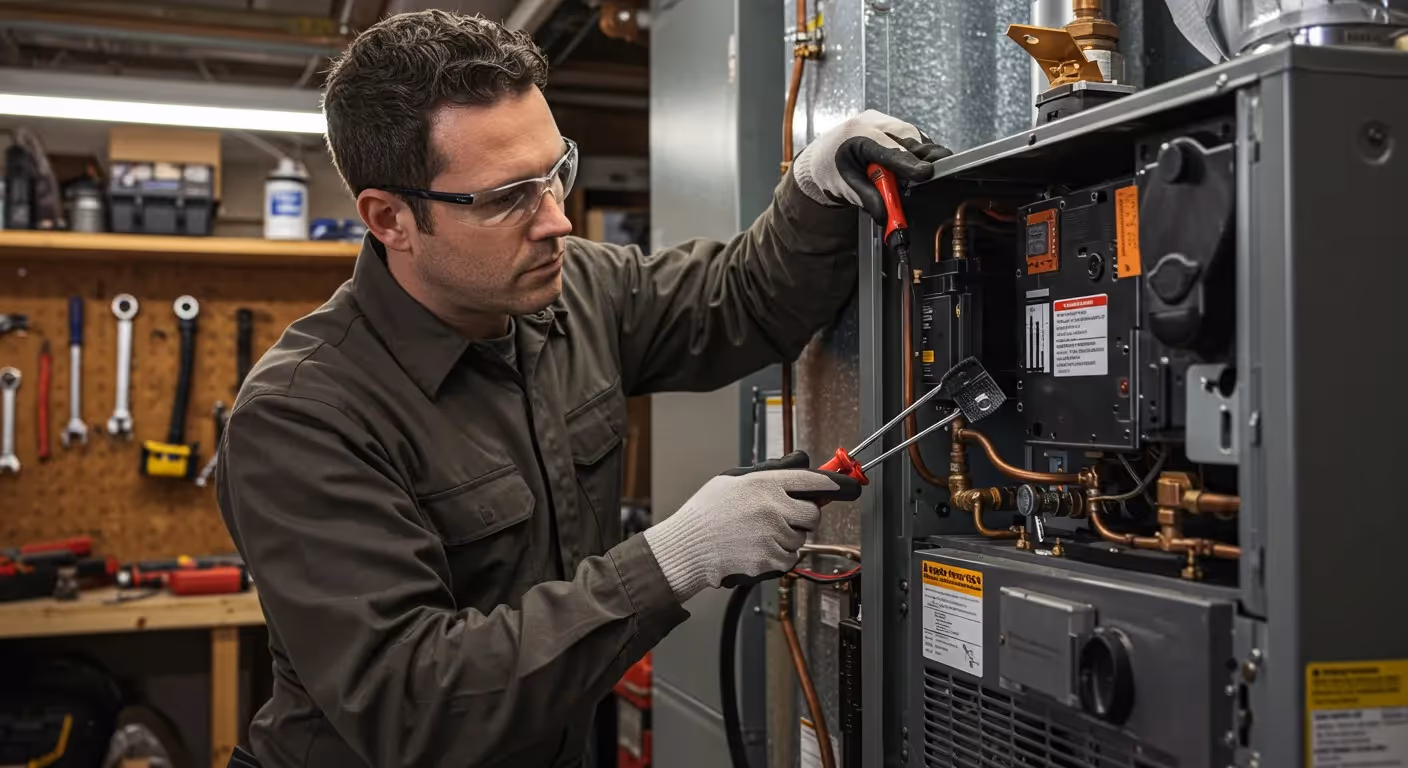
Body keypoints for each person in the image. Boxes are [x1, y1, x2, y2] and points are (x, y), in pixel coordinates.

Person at [216, 9, 948, 768]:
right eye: (507, 197)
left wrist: (813, 189)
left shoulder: (575, 291)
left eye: (555, 172)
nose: (556, 220)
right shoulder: (304, 416)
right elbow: (415, 705)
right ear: (390, 218)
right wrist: (675, 558)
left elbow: (742, 300)